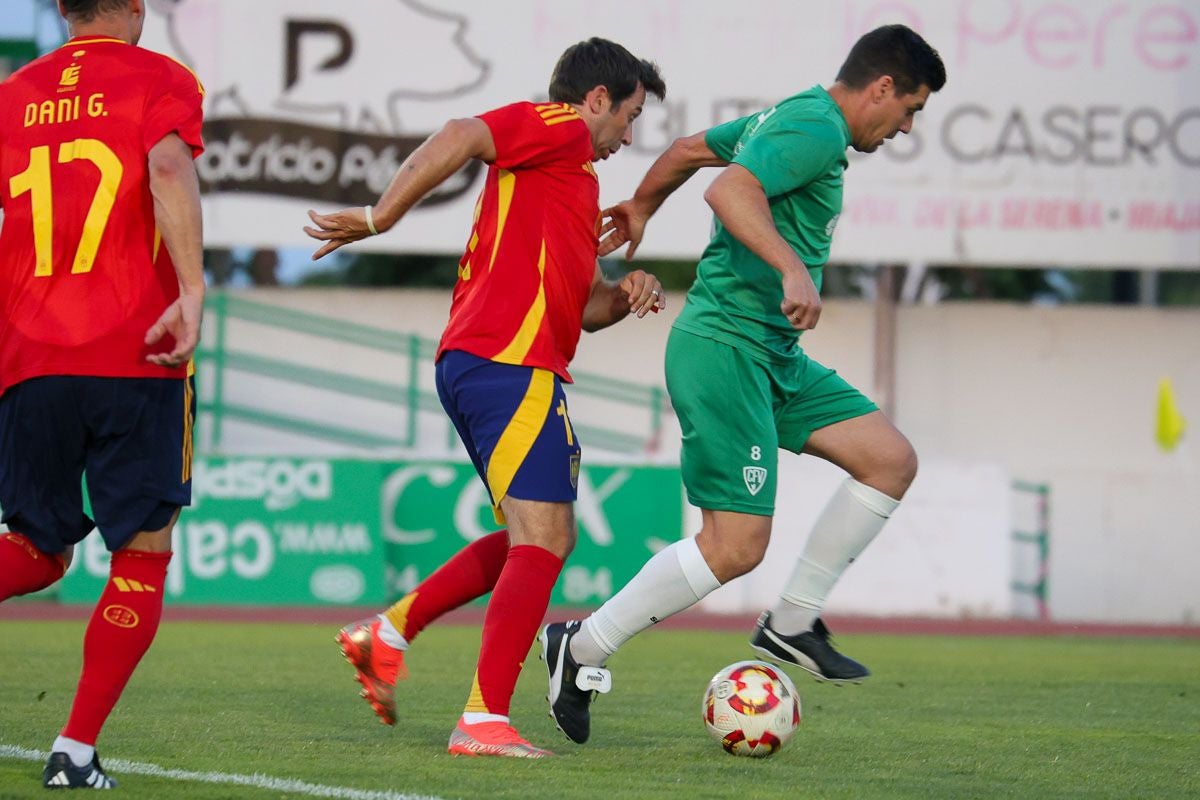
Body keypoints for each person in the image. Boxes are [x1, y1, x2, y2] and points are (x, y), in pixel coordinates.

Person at [540, 24, 947, 745]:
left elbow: (691, 153)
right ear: (882, 88)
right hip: (726, 346)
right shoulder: (815, 126)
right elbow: (729, 189)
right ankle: (582, 646)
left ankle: (792, 622)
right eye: (910, 108)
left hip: (773, 353)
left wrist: (640, 206)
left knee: (889, 459)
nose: (906, 126)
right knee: (734, 546)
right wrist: (793, 268)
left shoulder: (790, 117)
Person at [304, 37, 667, 758]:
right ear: (596, 100)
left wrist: (625, 294)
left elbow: (582, 307)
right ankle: (481, 719)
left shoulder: (572, 177)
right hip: (507, 361)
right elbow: (462, 134)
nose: (630, 135)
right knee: (547, 537)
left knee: (532, 537)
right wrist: (383, 216)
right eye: (629, 116)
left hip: (494, 360)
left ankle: (388, 633)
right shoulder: (560, 126)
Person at [0, 0, 205, 788]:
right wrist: (191, 290)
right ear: (136, 8)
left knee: (34, 550)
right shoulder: (161, 77)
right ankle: (74, 751)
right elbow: (165, 167)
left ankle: (76, 752)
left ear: (60, 9)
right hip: (136, 352)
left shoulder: (15, 93)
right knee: (142, 552)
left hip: (29, 357)